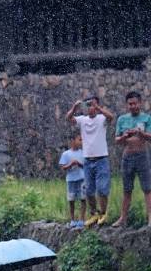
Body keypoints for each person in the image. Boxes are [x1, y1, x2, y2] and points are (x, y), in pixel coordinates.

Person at [66, 95, 115, 227]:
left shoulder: (101, 118)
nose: (90, 108)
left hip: (101, 159)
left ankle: (103, 213)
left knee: (102, 189)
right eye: (88, 105)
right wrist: (75, 107)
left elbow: (111, 117)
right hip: (88, 160)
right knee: (88, 190)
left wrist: (98, 107)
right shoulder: (82, 120)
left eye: (92, 105)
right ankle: (93, 213)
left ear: (97, 106)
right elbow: (68, 118)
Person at [113, 90, 151, 227]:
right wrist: (124, 137)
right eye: (130, 104)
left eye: (135, 103)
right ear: (126, 105)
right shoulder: (122, 119)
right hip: (127, 156)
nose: (133, 106)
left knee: (147, 188)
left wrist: (141, 134)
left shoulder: (147, 118)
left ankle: (149, 218)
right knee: (127, 189)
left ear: (140, 103)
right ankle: (123, 218)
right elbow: (116, 140)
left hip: (142, 155)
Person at [59, 131, 86, 228]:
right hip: (71, 180)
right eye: (79, 140)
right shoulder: (66, 154)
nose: (81, 142)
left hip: (82, 179)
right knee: (71, 199)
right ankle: (72, 219)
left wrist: (79, 164)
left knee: (83, 198)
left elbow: (86, 166)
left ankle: (82, 219)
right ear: (73, 141)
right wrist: (70, 164)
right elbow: (63, 167)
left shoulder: (83, 153)